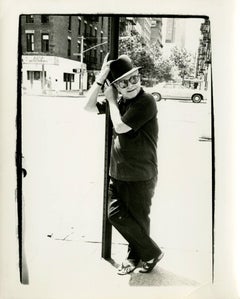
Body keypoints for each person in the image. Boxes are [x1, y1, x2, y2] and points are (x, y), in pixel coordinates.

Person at [84, 53, 164, 275]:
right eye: (123, 82)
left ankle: (137, 257)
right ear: (116, 86)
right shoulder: (120, 101)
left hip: (141, 173)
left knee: (138, 219)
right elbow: (88, 107)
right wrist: (100, 79)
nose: (130, 85)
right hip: (118, 172)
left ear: (139, 77)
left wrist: (110, 99)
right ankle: (150, 253)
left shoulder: (146, 101)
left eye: (133, 79)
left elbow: (119, 127)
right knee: (115, 214)